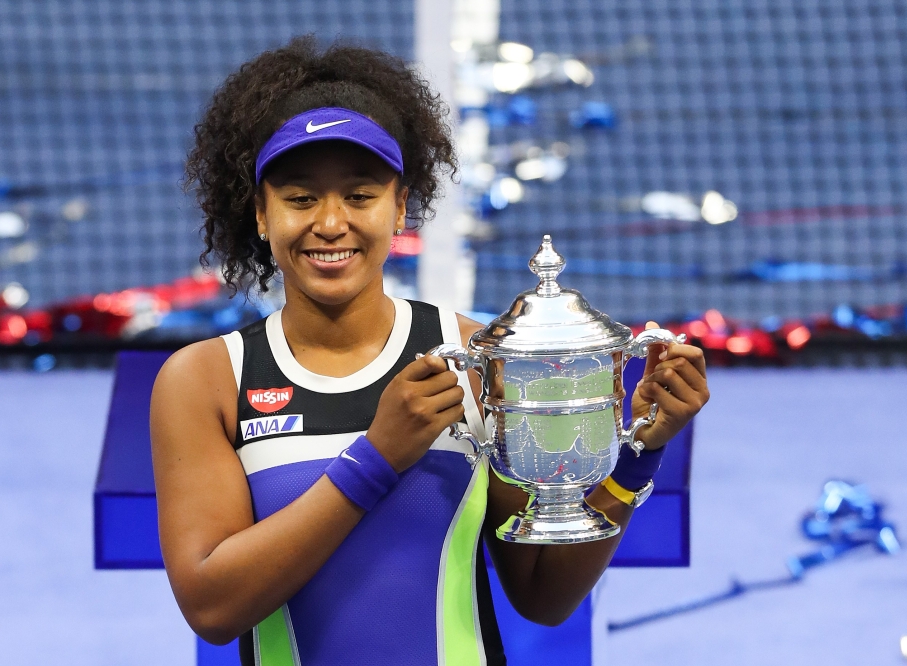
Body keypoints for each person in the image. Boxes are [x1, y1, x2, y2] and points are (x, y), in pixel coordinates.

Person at [151, 36, 710, 666]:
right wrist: (378, 458)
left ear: (400, 210)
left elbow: (543, 594)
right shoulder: (207, 380)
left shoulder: (478, 356)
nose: (330, 223)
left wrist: (638, 457)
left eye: (360, 196)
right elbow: (213, 606)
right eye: (300, 198)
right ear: (260, 213)